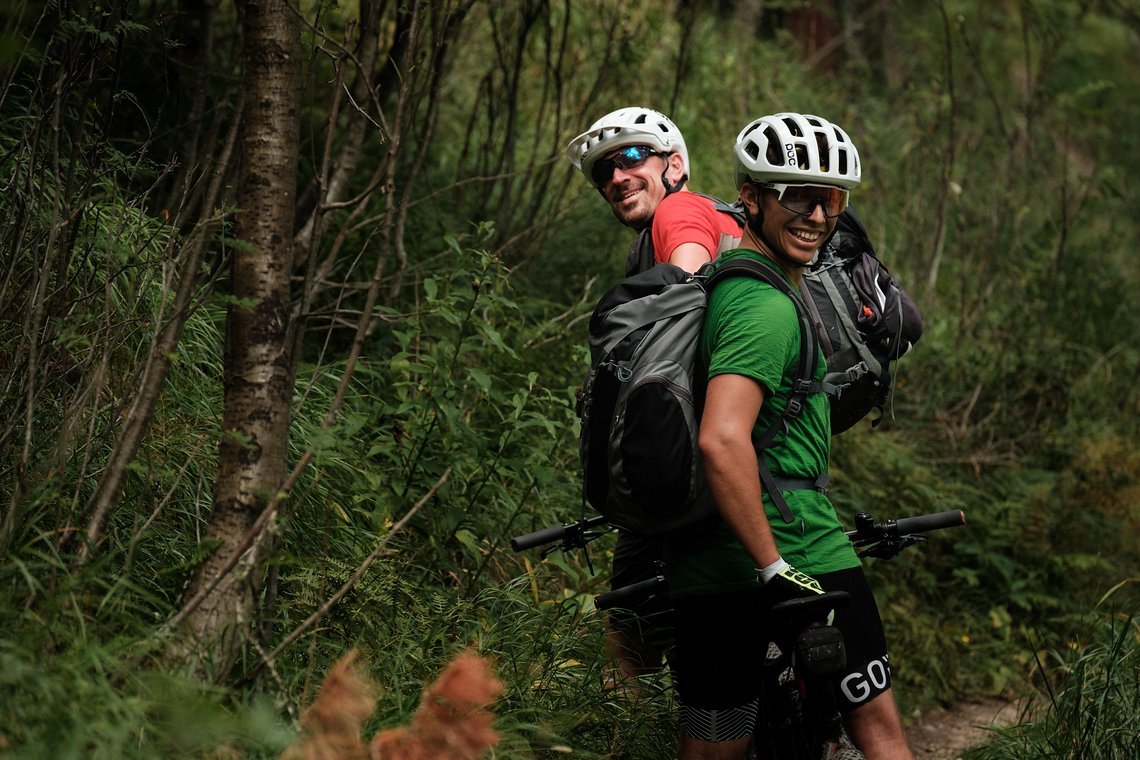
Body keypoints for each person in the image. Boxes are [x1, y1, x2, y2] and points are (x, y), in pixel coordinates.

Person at [666, 112, 915, 759]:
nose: (816, 213)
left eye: (831, 198)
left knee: (713, 747)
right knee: (881, 736)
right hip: (802, 551)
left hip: (707, 571)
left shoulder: (729, 286)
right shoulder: (765, 306)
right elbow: (722, 439)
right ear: (750, 197)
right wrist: (777, 568)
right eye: (795, 194)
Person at [564, 107, 742, 686]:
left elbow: (685, 282)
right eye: (605, 172)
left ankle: (629, 738)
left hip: (692, 454)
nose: (616, 177)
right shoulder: (725, 217)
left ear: (676, 165)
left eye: (633, 157)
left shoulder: (680, 210)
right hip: (749, 445)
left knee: (628, 632)